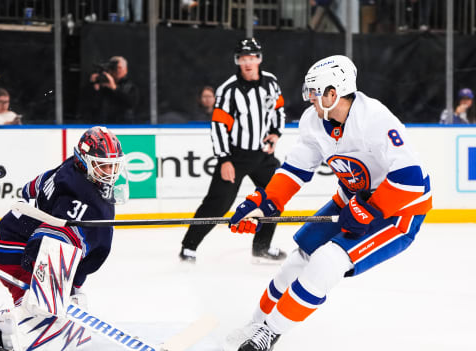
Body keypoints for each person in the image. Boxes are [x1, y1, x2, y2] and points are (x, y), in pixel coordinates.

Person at [226, 55, 432, 351]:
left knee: (327, 262)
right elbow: (295, 168)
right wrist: (265, 202)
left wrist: (372, 210)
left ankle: (268, 335)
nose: (309, 98)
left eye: (314, 91)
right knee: (297, 261)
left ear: (333, 93)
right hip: (352, 201)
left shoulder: (375, 119)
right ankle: (255, 325)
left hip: (398, 211)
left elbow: (411, 178)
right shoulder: (314, 121)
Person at [0, 126, 128, 351]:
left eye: (113, 165)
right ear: (84, 161)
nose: (110, 172)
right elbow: (54, 241)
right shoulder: (80, 195)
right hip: (17, 247)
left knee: (53, 302)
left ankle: (17, 324)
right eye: (103, 166)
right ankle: (8, 330)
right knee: (41, 308)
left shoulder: (71, 168)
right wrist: (54, 288)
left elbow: (34, 186)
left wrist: (69, 288)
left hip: (22, 235)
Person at [179, 38, 287, 264]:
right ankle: (189, 247)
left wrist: (276, 133)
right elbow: (218, 127)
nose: (248, 63)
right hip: (235, 156)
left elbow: (278, 109)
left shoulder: (271, 82)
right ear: (237, 61)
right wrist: (225, 159)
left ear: (259, 59)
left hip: (263, 155)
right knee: (218, 204)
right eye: (243, 59)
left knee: (275, 196)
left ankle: (261, 247)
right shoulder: (228, 90)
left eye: (252, 58)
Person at [81, 56, 139, 124]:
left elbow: (131, 103)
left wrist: (114, 88)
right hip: (101, 124)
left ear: (126, 70)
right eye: (114, 68)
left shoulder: (129, 86)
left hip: (123, 125)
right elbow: (87, 104)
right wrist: (92, 86)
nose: (117, 71)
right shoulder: (101, 84)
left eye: (120, 68)